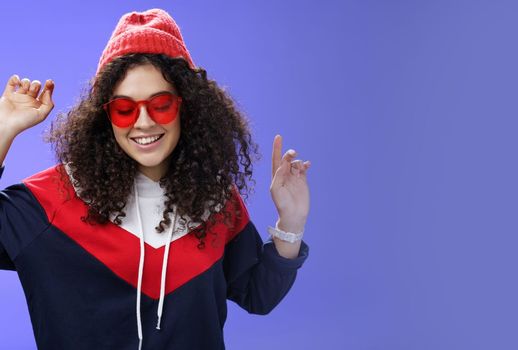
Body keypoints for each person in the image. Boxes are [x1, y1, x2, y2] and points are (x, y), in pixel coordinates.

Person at [0, 8, 311, 350]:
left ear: (187, 107)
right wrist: (3, 131)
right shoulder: (52, 203)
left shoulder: (216, 201)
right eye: (124, 108)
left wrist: (291, 221)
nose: (144, 122)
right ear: (106, 118)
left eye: (161, 104)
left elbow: (258, 295)